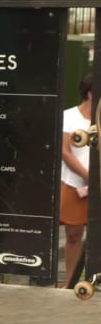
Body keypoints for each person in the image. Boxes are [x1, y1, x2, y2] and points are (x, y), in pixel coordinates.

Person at [60, 73, 93, 283]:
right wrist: (88, 176)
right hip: (75, 185)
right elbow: (65, 152)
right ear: (90, 94)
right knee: (74, 235)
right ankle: (70, 282)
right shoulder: (69, 116)